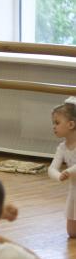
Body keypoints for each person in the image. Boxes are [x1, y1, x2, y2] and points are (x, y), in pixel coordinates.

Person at [48, 96, 76, 238]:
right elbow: (51, 168)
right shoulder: (62, 147)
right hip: (74, 191)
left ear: (71, 125)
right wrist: (59, 176)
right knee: (72, 233)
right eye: (54, 123)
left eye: (57, 123)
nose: (54, 126)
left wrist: (69, 171)